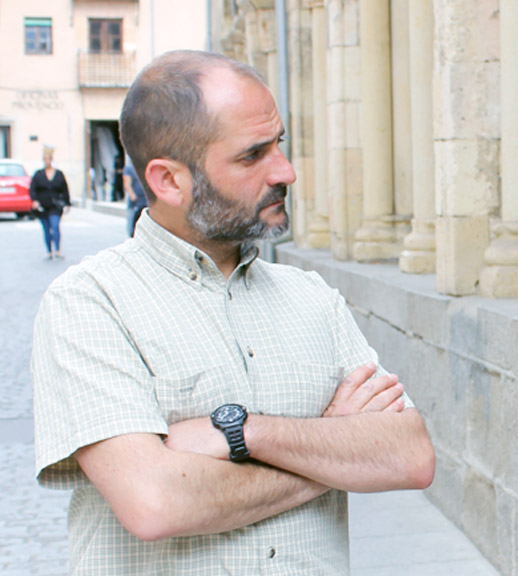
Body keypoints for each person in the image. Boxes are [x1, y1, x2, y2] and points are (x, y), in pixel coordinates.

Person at [31, 50, 435, 575]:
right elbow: (154, 503)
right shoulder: (90, 303)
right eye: (252, 156)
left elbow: (409, 455)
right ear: (168, 180)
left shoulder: (311, 296)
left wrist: (243, 432)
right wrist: (331, 451)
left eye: (280, 145)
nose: (285, 171)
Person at [29, 145, 71, 259]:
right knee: (46, 229)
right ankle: (49, 251)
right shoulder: (38, 174)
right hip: (42, 206)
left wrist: (67, 204)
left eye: (49, 159)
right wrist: (35, 201)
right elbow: (32, 189)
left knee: (55, 225)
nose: (47, 161)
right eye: (45, 159)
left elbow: (65, 189)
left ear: (52, 160)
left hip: (55, 206)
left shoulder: (59, 174)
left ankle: (57, 250)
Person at [123, 157, 146, 236]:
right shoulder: (129, 169)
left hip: (145, 200)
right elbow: (127, 183)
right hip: (135, 201)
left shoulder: (144, 168)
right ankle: (131, 236)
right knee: (132, 220)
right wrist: (132, 194)